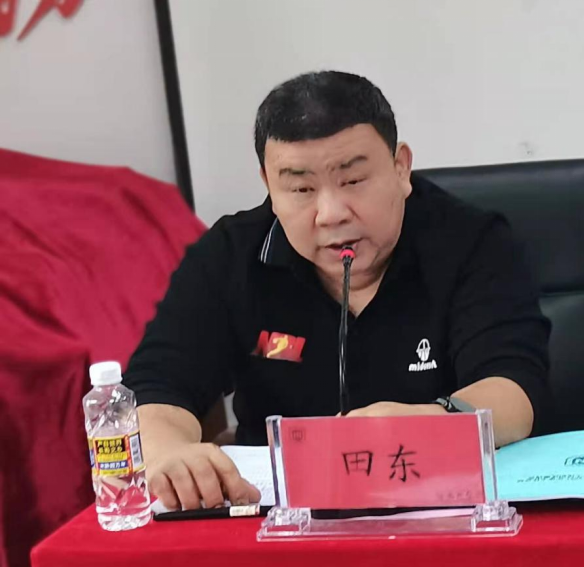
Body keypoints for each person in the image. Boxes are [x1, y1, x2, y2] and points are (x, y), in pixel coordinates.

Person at [123, 71, 551, 511]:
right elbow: (156, 386)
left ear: (401, 168)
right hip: (282, 521)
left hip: (446, 509)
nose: (330, 214)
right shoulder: (230, 256)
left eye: (353, 181)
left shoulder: (471, 242)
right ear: (269, 185)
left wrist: (429, 421)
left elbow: (513, 389)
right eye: (301, 189)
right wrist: (165, 452)